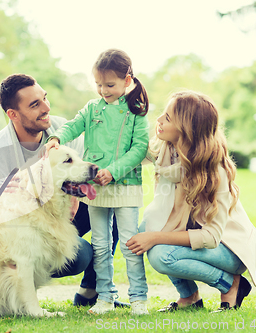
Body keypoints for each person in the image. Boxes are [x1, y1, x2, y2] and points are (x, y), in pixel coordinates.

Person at [0, 73, 126, 308]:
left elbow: (85, 170)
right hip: (23, 231)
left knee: (114, 206)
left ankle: (91, 292)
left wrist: (76, 194)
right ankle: (23, 291)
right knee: (81, 255)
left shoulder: (61, 128)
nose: (46, 107)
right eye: (35, 105)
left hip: (64, 212)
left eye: (44, 98)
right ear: (12, 114)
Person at [126, 91, 256, 312]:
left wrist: (154, 237)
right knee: (148, 226)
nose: (159, 120)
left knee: (161, 254)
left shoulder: (214, 170)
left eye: (168, 118)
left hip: (228, 248)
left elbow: (211, 237)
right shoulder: (167, 149)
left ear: (187, 130)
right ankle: (190, 297)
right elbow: (131, 152)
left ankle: (231, 284)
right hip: (195, 234)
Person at [46, 49, 150, 315]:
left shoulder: (136, 112)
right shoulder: (92, 109)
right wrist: (56, 138)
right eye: (99, 84)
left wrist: (113, 171)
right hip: (96, 191)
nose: (103, 90)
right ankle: (104, 296)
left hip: (125, 188)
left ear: (128, 80)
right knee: (101, 246)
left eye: (110, 84)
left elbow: (138, 149)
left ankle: (139, 298)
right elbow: (72, 125)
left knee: (129, 244)